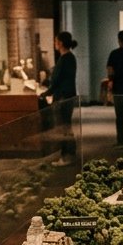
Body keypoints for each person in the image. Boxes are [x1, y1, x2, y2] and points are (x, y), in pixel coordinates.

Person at [42, 31, 78, 164]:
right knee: (66, 127)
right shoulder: (70, 58)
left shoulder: (64, 59)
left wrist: (46, 93)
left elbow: (56, 80)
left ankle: (66, 156)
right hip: (68, 95)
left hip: (63, 97)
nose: (54, 43)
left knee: (64, 127)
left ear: (60, 43)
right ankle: (69, 154)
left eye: (55, 41)